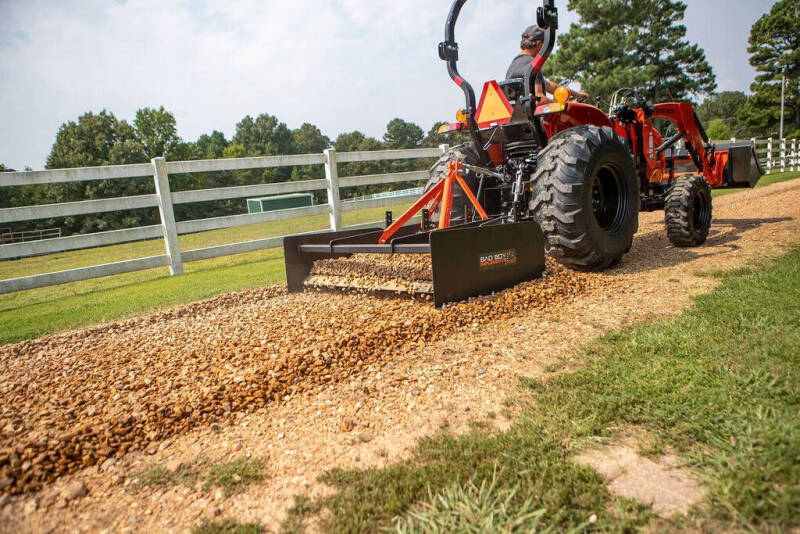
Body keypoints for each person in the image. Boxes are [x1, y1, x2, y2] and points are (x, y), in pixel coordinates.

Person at [505, 25, 589, 104]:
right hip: (533, 118)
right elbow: (539, 99)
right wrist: (565, 106)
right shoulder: (533, 66)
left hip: (515, 118)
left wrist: (577, 95)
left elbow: (549, 86)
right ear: (539, 44)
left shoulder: (513, 67)